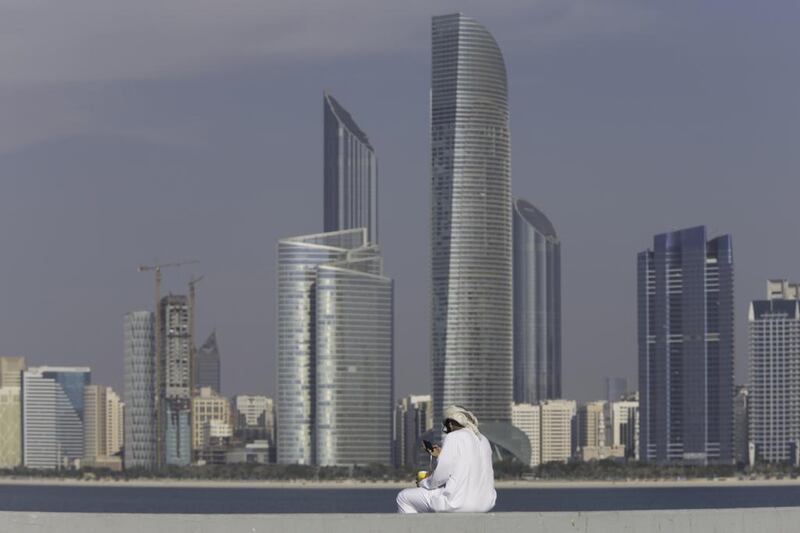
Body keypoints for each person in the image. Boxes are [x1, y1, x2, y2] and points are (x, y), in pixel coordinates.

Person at [396, 405, 496, 513]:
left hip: (458, 504)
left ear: (451, 423)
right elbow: (470, 464)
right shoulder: (483, 440)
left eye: (445, 425)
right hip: (485, 504)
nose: (445, 430)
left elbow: (441, 476)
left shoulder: (454, 436)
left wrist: (423, 483)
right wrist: (441, 455)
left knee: (404, 497)